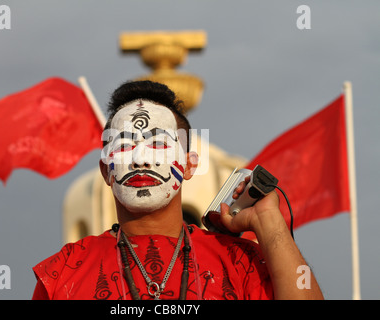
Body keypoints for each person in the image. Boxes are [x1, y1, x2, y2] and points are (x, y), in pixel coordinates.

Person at [32, 80, 324, 300]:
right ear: (106, 170)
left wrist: (269, 223)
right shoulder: (64, 272)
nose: (141, 158)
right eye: (124, 146)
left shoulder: (240, 263)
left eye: (158, 143)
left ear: (188, 165)